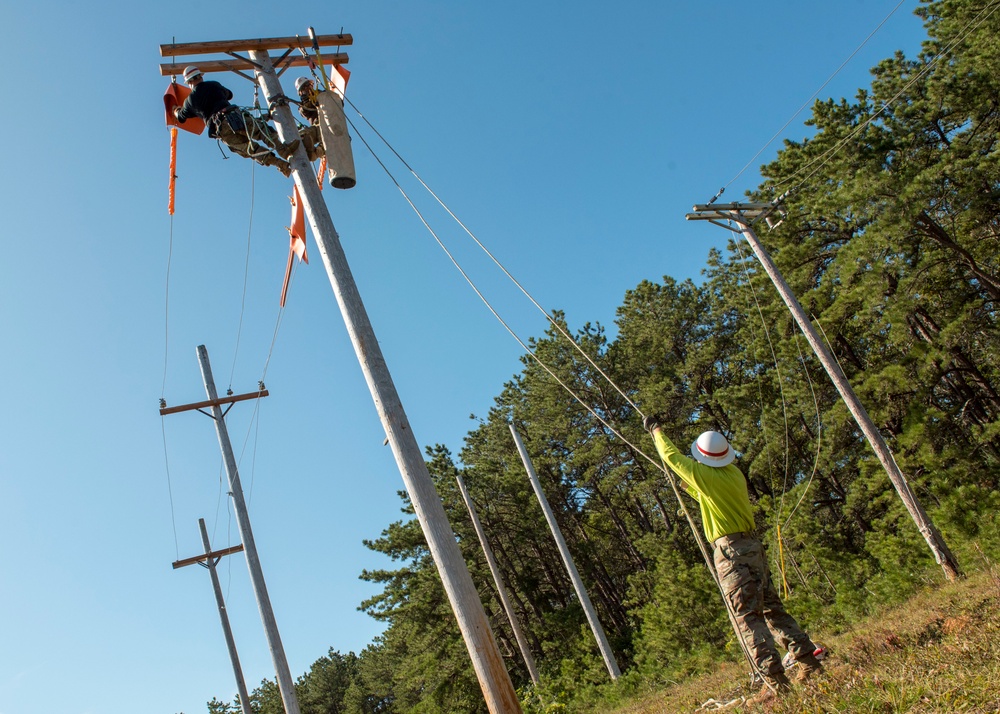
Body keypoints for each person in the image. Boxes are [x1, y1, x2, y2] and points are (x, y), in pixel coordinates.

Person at [643, 416, 824, 703]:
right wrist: (688, 486)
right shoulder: (733, 475)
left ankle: (776, 682)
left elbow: (669, 456)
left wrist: (656, 431)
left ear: (701, 457)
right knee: (772, 609)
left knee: (747, 618)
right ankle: (808, 661)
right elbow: (711, 496)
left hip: (731, 553)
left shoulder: (706, 476)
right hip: (752, 547)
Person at [173, 66, 299, 176]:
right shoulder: (213, 85)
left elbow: (181, 117)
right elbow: (229, 94)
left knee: (250, 149)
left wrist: (175, 109)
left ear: (189, 82)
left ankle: (281, 165)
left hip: (221, 130)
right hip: (234, 116)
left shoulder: (189, 101)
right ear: (200, 76)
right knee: (261, 131)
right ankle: (283, 150)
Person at [294, 76, 325, 162]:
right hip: (317, 126)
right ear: (301, 92)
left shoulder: (321, 94)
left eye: (309, 85)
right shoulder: (302, 106)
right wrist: (307, 101)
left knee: (326, 143)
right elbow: (305, 112)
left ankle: (316, 153)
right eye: (304, 87)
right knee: (301, 135)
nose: (308, 88)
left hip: (328, 123)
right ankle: (311, 154)